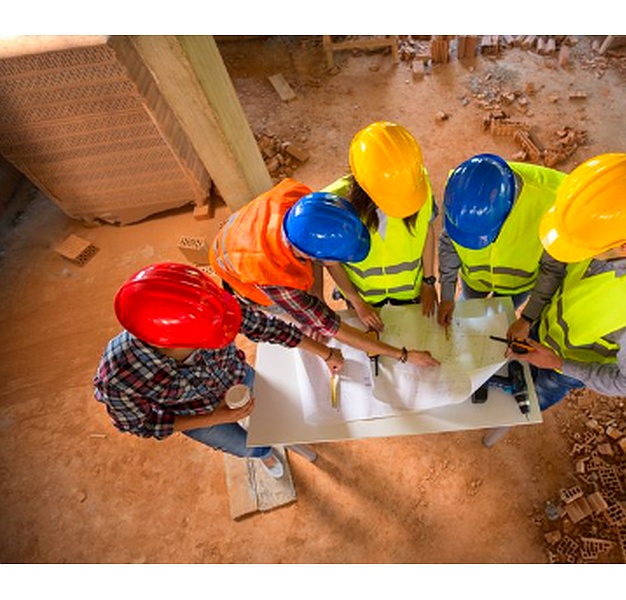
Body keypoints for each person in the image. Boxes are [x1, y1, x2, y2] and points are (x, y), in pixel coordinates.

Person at [93, 262, 343, 479]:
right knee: (245, 446)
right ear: (166, 343)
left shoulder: (210, 307)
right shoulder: (119, 375)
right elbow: (143, 424)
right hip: (197, 415)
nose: (223, 331)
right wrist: (216, 418)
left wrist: (327, 353)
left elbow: (269, 328)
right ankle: (264, 454)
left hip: (238, 377)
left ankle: (282, 437)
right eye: (211, 336)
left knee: (277, 415)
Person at [504, 153, 626, 411]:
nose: (578, 253)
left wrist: (559, 364)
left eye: (584, 248)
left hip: (566, 365)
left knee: (529, 402)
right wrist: (529, 318)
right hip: (544, 326)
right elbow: (561, 257)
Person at [210, 177, 440, 368]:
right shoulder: (272, 277)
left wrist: (319, 299)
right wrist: (403, 355)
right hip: (242, 273)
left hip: (255, 231)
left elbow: (319, 263)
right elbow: (333, 328)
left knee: (314, 312)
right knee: (304, 322)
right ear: (312, 257)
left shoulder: (304, 202)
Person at [322, 121, 438, 333]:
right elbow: (332, 261)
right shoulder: (333, 203)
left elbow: (426, 231)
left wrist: (429, 282)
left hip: (409, 291)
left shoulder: (417, 184)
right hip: (366, 297)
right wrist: (356, 302)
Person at [437, 153, 567, 328]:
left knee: (497, 321)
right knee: (465, 316)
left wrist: (527, 319)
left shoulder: (551, 202)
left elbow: (553, 269)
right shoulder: (460, 188)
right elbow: (450, 241)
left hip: (516, 288)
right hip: (474, 281)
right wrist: (446, 295)